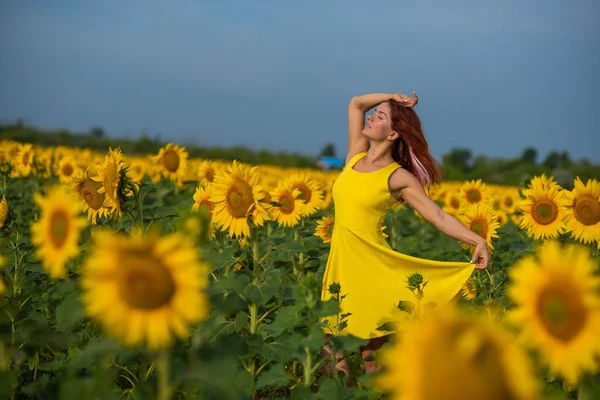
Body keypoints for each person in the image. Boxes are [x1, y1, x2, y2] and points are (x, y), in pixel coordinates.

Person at [320, 91, 489, 385]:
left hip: (373, 269)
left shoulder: (397, 177)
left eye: (381, 116)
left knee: (371, 360)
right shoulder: (354, 155)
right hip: (341, 266)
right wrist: (391, 97)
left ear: (394, 133)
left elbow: (436, 216)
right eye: (375, 113)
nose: (371, 116)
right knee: (331, 348)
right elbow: (355, 103)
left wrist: (477, 240)